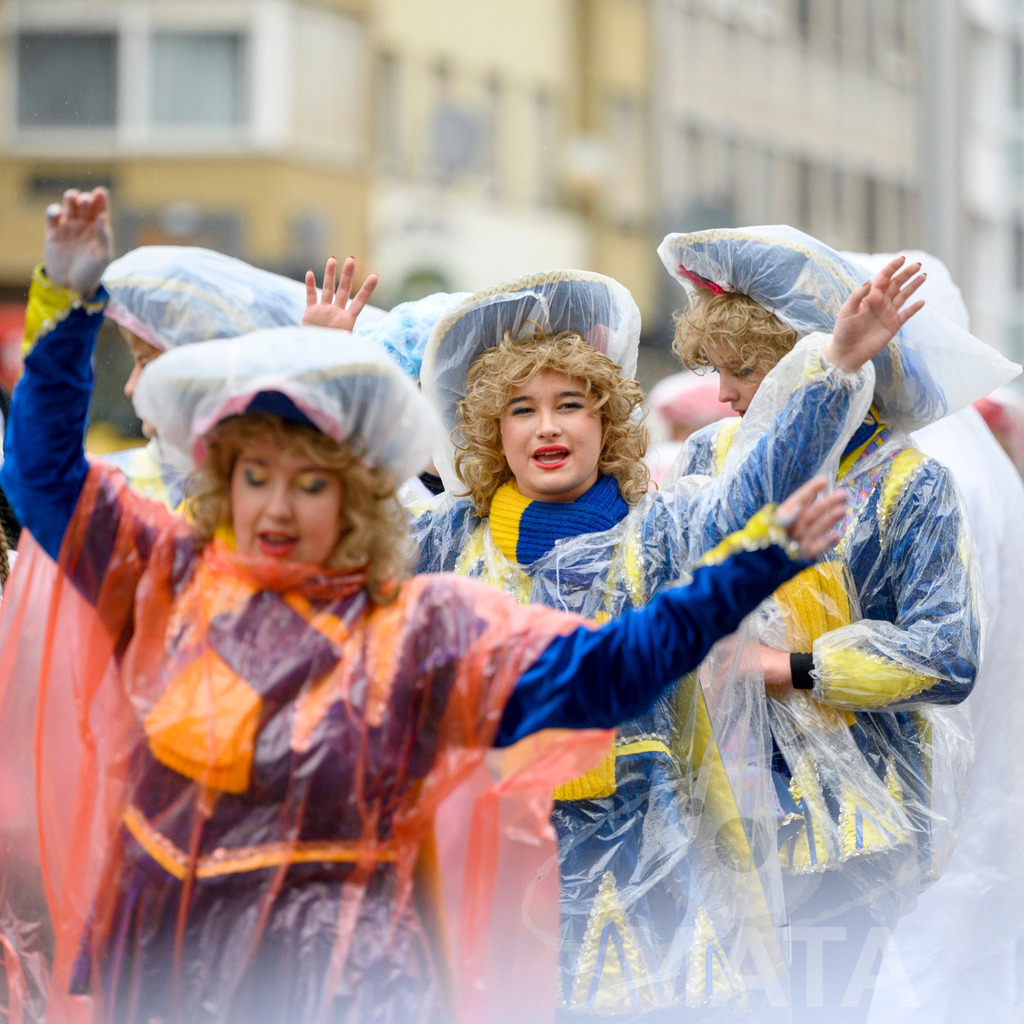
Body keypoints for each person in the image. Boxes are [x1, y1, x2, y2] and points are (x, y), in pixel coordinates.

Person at [0, 191, 847, 1024]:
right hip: (167, 977)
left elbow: (609, 670)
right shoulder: (168, 579)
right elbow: (42, 479)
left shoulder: (417, 630)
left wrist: (752, 569)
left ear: (359, 501)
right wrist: (68, 307)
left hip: (349, 988)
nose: (279, 510)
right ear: (222, 484)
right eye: (255, 477)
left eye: (312, 483)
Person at [337, 259, 924, 1021]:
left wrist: (837, 364)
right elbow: (334, 548)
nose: (547, 426)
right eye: (520, 409)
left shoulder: (664, 528)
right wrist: (333, 375)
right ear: (491, 431)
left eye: (570, 404)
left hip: (660, 864)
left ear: (606, 421)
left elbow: (758, 486)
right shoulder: (450, 540)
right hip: (496, 861)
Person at [658, 224, 1011, 1023]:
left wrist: (787, 669)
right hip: (718, 811)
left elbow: (948, 658)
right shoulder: (711, 459)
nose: (723, 395)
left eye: (743, 370)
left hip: (850, 832)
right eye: (714, 369)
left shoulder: (909, 485)